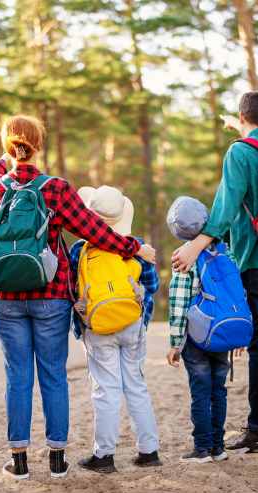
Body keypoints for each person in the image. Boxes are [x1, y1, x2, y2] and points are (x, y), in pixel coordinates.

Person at [0, 115, 156, 480]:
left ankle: (18, 462)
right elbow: (96, 232)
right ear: (40, 145)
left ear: (7, 145)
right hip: (50, 295)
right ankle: (57, 460)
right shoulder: (57, 189)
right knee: (53, 376)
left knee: (17, 377)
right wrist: (134, 247)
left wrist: (8, 154)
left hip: (5, 296)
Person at [172, 91, 258, 453]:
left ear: (243, 119)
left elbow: (226, 206)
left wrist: (196, 244)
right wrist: (242, 125)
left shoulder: (239, 152)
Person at [69, 185, 161, 474]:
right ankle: (149, 451)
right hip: (132, 324)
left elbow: (73, 291)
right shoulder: (137, 246)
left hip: (98, 326)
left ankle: (105, 456)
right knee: (135, 384)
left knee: (105, 389)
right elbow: (153, 286)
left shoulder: (79, 249)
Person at [165, 196, 230, 463]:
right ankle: (218, 447)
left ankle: (202, 448)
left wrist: (175, 343)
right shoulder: (226, 252)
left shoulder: (184, 258)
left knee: (201, 392)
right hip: (223, 333)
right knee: (219, 390)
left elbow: (179, 304)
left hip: (197, 338)